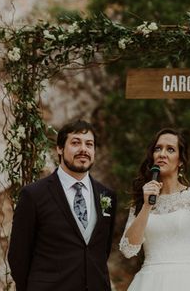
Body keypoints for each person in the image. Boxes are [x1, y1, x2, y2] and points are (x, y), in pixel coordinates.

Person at [119, 115, 190, 290]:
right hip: (149, 284)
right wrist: (147, 206)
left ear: (180, 161)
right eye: (158, 149)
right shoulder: (142, 201)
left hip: (189, 282)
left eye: (170, 149)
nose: (162, 154)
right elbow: (128, 249)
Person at [7, 120, 117, 291]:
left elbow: (102, 251)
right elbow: (18, 256)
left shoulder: (107, 195)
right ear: (59, 148)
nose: (83, 149)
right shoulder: (34, 195)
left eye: (89, 144)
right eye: (75, 143)